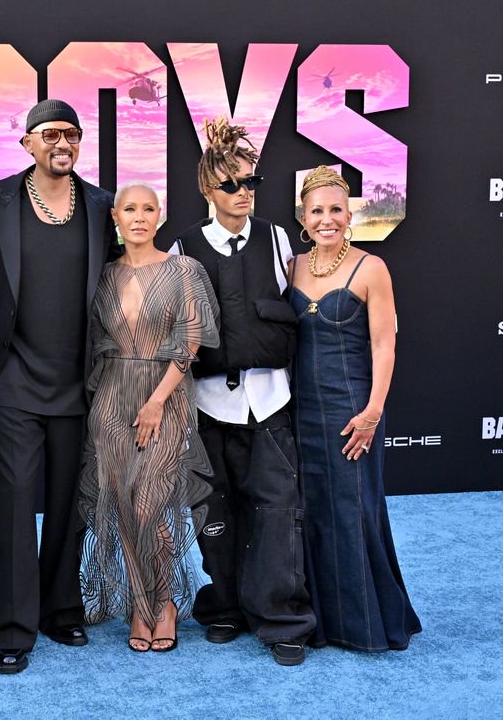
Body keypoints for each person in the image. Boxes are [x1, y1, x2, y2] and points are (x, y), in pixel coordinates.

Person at [0, 99, 120, 674]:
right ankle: (11, 628)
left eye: (72, 134)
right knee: (14, 500)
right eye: (51, 134)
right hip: (14, 376)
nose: (63, 143)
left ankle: (61, 609)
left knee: (67, 501)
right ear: (27, 143)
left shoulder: (100, 205)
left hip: (78, 379)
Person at [174, 117, 316, 666]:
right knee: (215, 514)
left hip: (270, 403)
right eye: (230, 184)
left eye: (251, 181)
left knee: (278, 512)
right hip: (209, 408)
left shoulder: (278, 240)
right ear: (208, 189)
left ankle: (283, 620)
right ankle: (226, 607)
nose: (243, 192)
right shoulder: (184, 247)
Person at [79, 183, 219, 653]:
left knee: (149, 506)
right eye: (129, 209)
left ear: (160, 215)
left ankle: (166, 602)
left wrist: (157, 400)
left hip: (166, 397)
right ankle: (142, 605)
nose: (138, 217)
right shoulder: (102, 276)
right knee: (122, 505)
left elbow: (191, 342)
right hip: (113, 396)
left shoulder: (184, 270)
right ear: (115, 217)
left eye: (148, 208)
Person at [288, 165, 422, 651]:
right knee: (310, 513)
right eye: (316, 211)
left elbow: (385, 345)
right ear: (303, 217)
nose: (326, 219)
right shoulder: (292, 266)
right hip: (299, 412)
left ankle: (365, 624)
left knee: (353, 510)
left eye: (336, 210)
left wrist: (372, 413)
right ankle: (319, 622)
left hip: (352, 411)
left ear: (350, 215)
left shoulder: (372, 268)